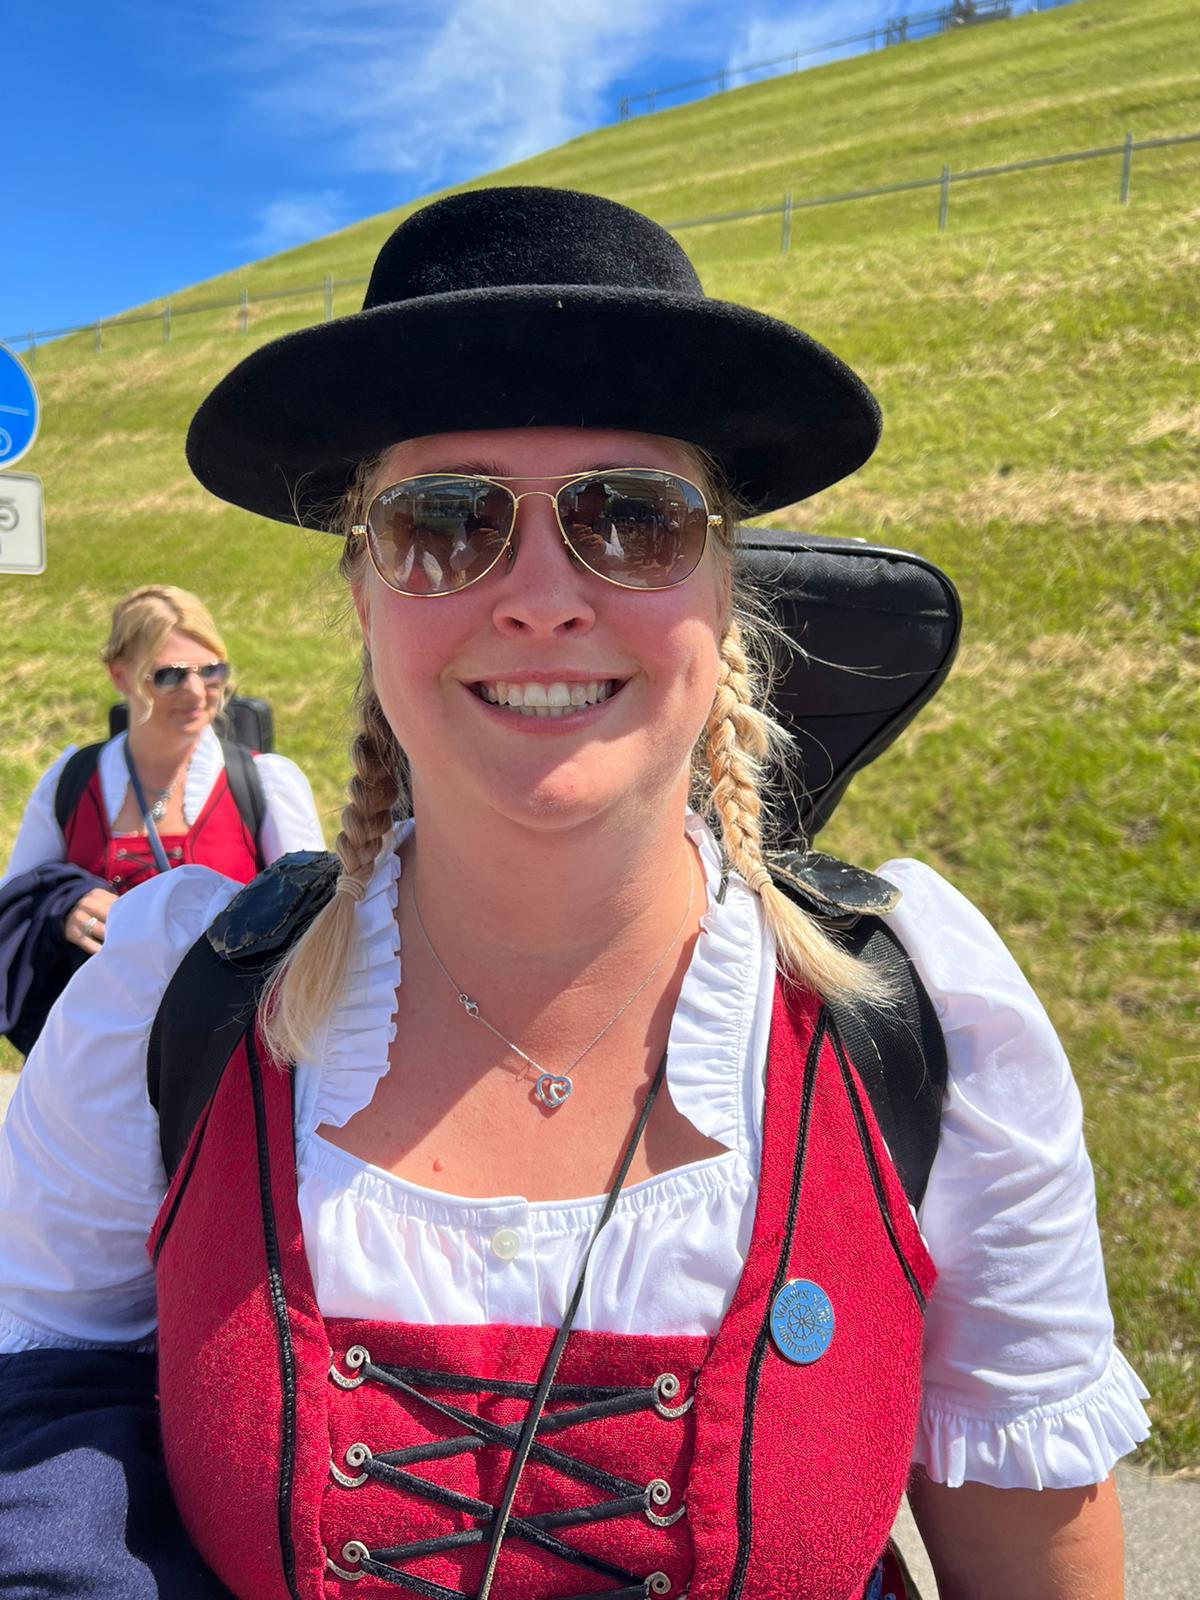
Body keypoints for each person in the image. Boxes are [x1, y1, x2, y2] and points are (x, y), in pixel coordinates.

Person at [0, 188, 1148, 1600]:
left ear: (721, 586)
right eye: (445, 522)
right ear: (364, 591)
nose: (542, 595)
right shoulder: (176, 1002)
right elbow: (43, 1397)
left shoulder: (918, 1021)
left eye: (632, 517)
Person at [0, 585, 325, 1051]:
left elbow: (315, 928)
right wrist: (66, 906)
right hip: (96, 1054)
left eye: (211, 670)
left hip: (221, 1051)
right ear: (120, 676)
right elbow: (15, 905)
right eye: (170, 675)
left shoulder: (264, 784)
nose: (196, 691)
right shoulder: (70, 782)